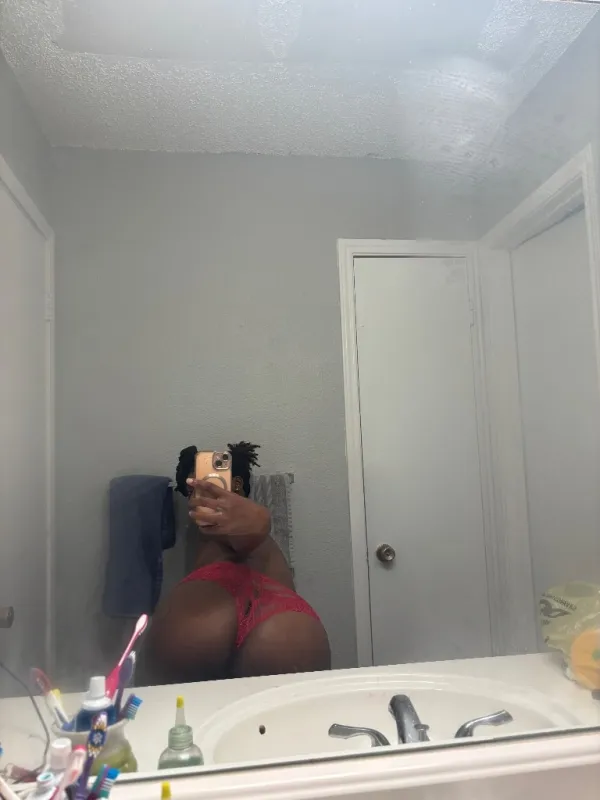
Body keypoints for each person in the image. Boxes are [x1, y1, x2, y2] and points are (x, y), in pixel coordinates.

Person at [141, 442, 331, 684]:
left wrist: (258, 523)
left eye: (211, 484)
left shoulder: (243, 521)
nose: (198, 497)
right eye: (192, 489)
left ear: (237, 485)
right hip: (285, 626)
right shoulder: (199, 531)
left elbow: (249, 531)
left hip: (213, 614)